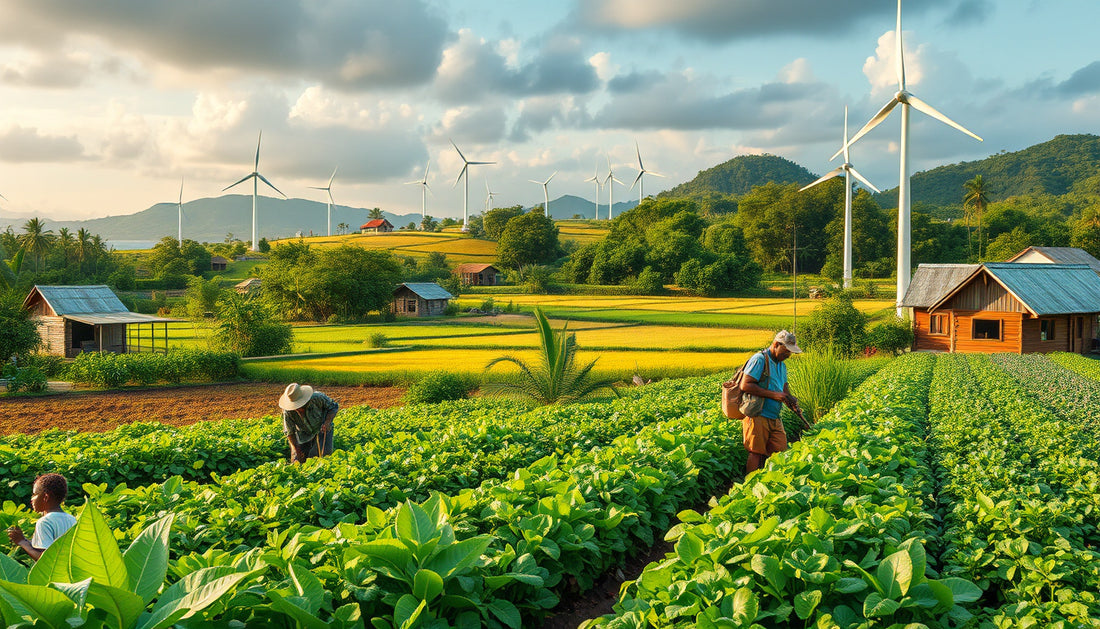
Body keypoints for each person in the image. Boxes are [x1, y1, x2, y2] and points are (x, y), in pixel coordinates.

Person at [739, 330, 805, 474]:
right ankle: (748, 487)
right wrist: (774, 395)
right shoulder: (760, 359)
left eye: (790, 352)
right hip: (758, 415)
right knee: (756, 452)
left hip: (774, 417)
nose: (788, 355)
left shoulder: (781, 365)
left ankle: (771, 482)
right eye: (786, 351)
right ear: (776, 344)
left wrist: (790, 400)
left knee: (780, 451)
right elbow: (745, 385)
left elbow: (784, 389)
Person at [6, 473, 78, 561]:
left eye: (34, 494)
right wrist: (23, 539)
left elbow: (44, 559)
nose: (32, 499)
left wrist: (22, 542)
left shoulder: (45, 522)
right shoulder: (72, 519)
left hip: (54, 574)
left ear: (45, 497)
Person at [279, 383, 339, 463]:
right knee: (298, 461)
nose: (298, 409)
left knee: (323, 457)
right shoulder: (288, 412)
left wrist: (327, 422)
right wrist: (296, 450)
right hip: (303, 434)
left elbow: (333, 407)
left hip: (322, 429)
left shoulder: (318, 398)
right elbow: (290, 432)